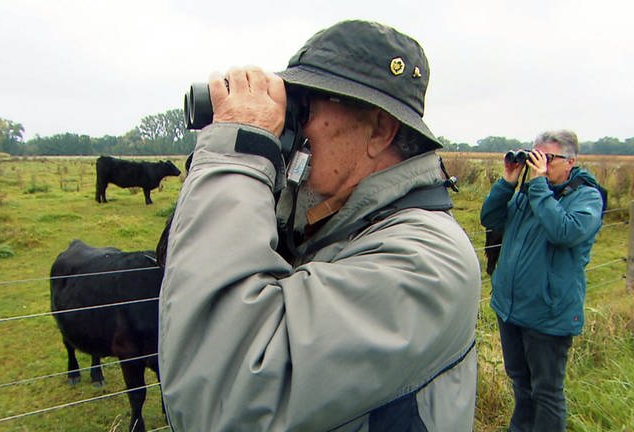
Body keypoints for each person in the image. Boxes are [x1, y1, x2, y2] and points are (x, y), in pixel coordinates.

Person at [159, 20, 481, 431]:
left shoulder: (428, 262)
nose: (294, 123)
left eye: (305, 106)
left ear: (379, 130)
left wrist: (237, 155)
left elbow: (226, 397)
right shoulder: (337, 218)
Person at [480, 130, 604, 431]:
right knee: (521, 385)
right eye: (536, 156)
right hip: (511, 308)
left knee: (546, 393)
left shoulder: (586, 196)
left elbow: (565, 232)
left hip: (548, 314)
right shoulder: (528, 192)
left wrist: (537, 186)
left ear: (570, 161)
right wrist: (508, 181)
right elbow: (491, 219)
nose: (540, 164)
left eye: (548, 158)